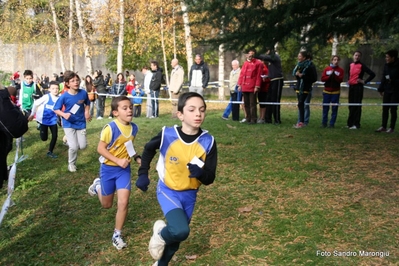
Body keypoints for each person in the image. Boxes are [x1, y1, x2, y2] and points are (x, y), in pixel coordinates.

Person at [136, 92, 217, 266]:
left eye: (202, 110)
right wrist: (143, 173)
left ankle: (161, 264)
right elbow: (149, 149)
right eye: (192, 109)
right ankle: (159, 234)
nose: (198, 114)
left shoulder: (208, 141)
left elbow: (210, 178)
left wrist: (200, 173)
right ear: (180, 114)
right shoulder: (167, 134)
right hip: (168, 191)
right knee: (180, 230)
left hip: (190, 195)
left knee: (176, 238)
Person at [87, 95, 141, 250]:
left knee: (123, 202)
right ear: (116, 112)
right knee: (107, 205)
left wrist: (136, 157)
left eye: (130, 107)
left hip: (124, 170)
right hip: (108, 169)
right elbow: (100, 149)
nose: (129, 110)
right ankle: (98, 185)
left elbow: (128, 146)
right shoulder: (110, 128)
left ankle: (117, 234)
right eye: (125, 108)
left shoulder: (134, 128)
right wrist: (117, 160)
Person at [53, 71, 91, 172]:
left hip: (81, 122)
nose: (76, 82)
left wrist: (87, 112)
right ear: (67, 84)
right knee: (73, 147)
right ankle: (71, 164)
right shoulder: (64, 96)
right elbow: (56, 109)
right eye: (72, 81)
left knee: (82, 146)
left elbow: (87, 103)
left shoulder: (83, 93)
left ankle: (67, 140)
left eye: (77, 80)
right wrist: (64, 114)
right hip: (68, 123)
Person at [28, 81, 60, 158]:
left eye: (57, 88)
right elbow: (36, 104)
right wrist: (32, 114)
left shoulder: (59, 98)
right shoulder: (46, 97)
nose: (55, 90)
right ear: (49, 89)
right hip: (44, 120)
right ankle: (39, 126)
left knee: (55, 136)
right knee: (44, 138)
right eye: (53, 88)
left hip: (53, 120)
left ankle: (50, 152)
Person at [347, 51, 376, 129]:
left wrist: (364, 81)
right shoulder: (351, 65)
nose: (357, 57)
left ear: (360, 57)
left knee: (357, 105)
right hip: (351, 87)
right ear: (353, 56)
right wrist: (348, 80)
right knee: (350, 105)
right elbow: (350, 75)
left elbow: (372, 74)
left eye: (358, 56)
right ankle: (350, 123)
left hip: (358, 87)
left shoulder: (362, 65)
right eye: (355, 55)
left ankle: (356, 124)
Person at [375, 49, 399, 133]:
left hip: (396, 91)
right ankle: (383, 126)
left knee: (393, 109)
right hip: (387, 89)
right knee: (385, 108)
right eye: (386, 57)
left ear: (393, 57)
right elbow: (383, 77)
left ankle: (391, 127)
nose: (386, 58)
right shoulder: (386, 66)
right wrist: (381, 89)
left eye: (388, 57)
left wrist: (393, 81)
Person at [237, 48, 263, 124]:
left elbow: (259, 76)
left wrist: (257, 86)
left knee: (252, 103)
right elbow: (242, 74)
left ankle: (253, 119)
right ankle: (248, 118)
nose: (250, 55)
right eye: (249, 53)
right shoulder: (245, 63)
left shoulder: (258, 63)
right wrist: (239, 84)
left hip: (252, 86)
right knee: (246, 104)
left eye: (252, 53)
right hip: (245, 86)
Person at [258, 48, 284, 125]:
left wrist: (255, 55)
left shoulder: (275, 57)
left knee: (275, 100)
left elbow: (265, 58)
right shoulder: (270, 61)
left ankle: (277, 120)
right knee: (268, 100)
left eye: (267, 50)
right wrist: (267, 76)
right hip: (272, 80)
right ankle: (268, 119)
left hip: (277, 80)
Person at [293, 51, 317, 128]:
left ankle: (302, 122)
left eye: (300, 56)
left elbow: (313, 78)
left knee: (301, 103)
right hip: (299, 87)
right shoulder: (299, 65)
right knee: (300, 104)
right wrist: (297, 75)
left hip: (306, 87)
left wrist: (302, 76)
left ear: (304, 57)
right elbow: (297, 77)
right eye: (298, 56)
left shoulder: (310, 66)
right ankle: (300, 121)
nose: (298, 57)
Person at [321, 55, 345, 128]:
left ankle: (332, 123)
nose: (336, 61)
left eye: (337, 60)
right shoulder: (327, 69)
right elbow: (322, 78)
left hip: (335, 92)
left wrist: (334, 76)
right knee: (325, 108)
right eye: (334, 60)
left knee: (334, 108)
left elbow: (340, 80)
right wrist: (329, 76)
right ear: (332, 60)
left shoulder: (341, 70)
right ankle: (324, 123)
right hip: (327, 92)